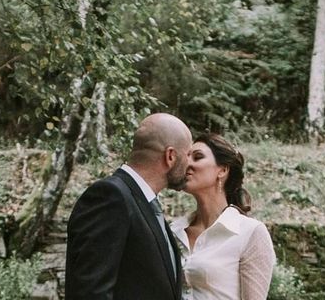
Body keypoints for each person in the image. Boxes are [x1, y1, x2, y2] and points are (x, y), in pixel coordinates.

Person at [65, 112, 193, 300]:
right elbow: (90, 293)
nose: (190, 164)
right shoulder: (110, 197)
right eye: (189, 154)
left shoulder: (145, 204)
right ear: (170, 156)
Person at [171, 133, 276, 300]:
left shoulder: (249, 233)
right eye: (187, 157)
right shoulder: (174, 231)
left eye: (197, 157)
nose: (187, 164)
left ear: (223, 170)